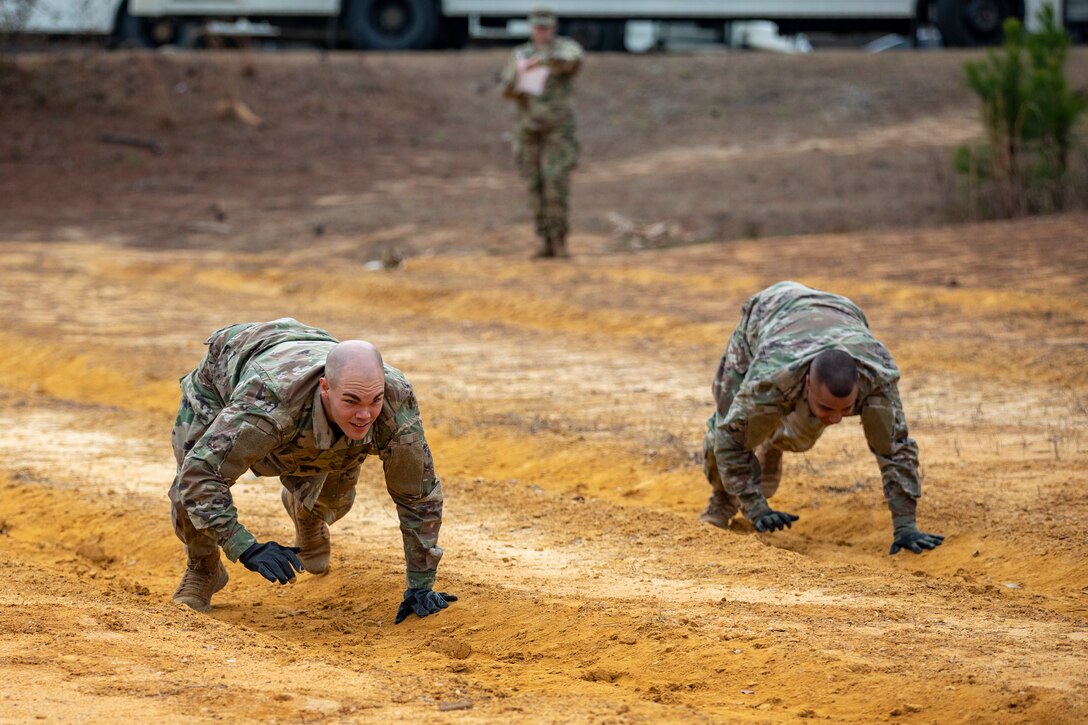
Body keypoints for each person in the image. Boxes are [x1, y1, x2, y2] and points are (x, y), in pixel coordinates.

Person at [169, 318, 456, 622]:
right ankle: (203, 568)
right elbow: (200, 476)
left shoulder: (395, 402)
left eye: (374, 400)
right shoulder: (267, 403)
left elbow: (418, 496)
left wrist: (420, 586)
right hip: (227, 371)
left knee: (341, 459)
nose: (364, 413)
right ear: (326, 388)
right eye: (351, 401)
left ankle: (308, 510)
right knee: (187, 485)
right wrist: (245, 547)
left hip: (309, 352)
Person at [699, 281, 944, 556]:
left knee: (804, 434)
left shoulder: (878, 378)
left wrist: (906, 526)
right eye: (828, 408)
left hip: (841, 311)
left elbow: (896, 450)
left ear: (860, 386)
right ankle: (722, 500)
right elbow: (729, 440)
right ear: (806, 384)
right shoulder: (770, 379)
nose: (836, 419)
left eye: (846, 408)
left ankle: (773, 442)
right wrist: (756, 507)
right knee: (729, 419)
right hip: (769, 312)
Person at [501, 7, 584, 259]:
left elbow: (573, 61)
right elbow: (506, 89)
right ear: (531, 28)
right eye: (538, 28)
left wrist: (543, 60)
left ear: (554, 28)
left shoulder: (565, 49)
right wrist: (518, 76)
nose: (542, 32)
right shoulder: (520, 54)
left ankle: (560, 240)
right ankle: (544, 240)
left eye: (546, 28)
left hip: (557, 130)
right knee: (534, 186)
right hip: (529, 129)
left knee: (555, 184)